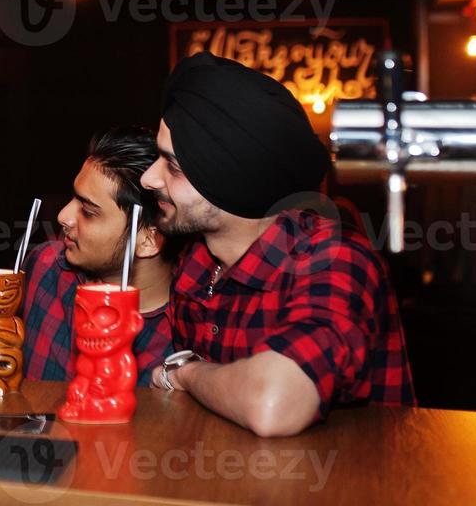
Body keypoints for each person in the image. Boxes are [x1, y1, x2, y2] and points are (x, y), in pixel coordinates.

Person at [141, 52, 415, 437]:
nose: (149, 178)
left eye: (173, 166)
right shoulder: (197, 265)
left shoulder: (333, 259)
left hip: (345, 492)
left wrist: (185, 373)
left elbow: (273, 403)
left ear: (231, 179)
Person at [0, 127, 175, 380]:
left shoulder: (183, 329)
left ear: (148, 239)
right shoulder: (49, 268)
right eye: (74, 198)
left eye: (89, 212)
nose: (63, 216)